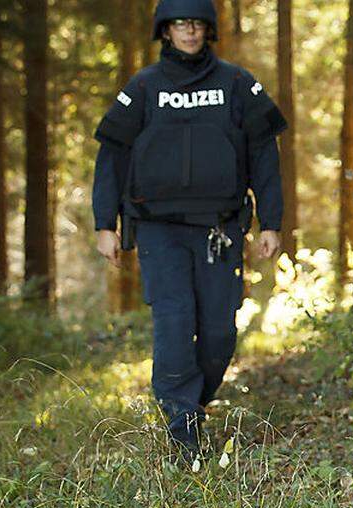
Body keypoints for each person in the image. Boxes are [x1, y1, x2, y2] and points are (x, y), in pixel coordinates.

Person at [91, 0, 287, 465]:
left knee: (219, 332)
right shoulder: (143, 87)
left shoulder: (236, 84)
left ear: (208, 30)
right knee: (175, 325)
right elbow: (111, 157)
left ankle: (191, 404)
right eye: (181, 24)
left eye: (198, 24)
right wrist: (105, 224)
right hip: (159, 229)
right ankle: (182, 431)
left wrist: (271, 221)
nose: (190, 32)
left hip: (219, 227)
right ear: (165, 30)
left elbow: (265, 155)